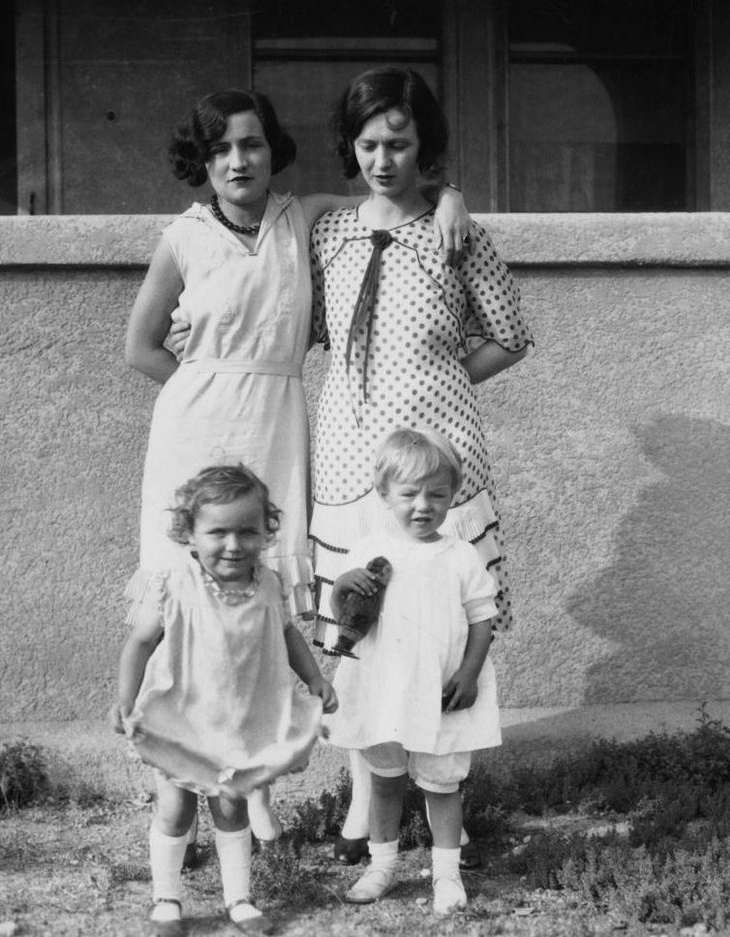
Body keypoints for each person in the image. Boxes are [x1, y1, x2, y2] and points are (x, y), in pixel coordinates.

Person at [125, 88, 470, 857]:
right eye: (220, 151)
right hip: (195, 435)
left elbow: (388, 188)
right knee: (202, 609)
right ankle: (235, 794)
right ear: (203, 161)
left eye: (250, 144)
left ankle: (261, 772)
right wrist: (204, 389)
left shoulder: (303, 215)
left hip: (278, 426)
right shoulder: (181, 237)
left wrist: (453, 197)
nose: (238, 161)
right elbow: (142, 347)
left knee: (268, 604)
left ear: (269, 149)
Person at [307, 66, 533, 867]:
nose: (382, 158)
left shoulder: (455, 230)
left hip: (437, 459)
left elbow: (509, 332)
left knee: (433, 618)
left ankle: (444, 801)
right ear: (351, 147)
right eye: (368, 143)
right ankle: (367, 800)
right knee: (357, 622)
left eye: (399, 143)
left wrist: (436, 379)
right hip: (346, 453)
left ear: (423, 147)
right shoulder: (327, 231)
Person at [112, 464, 338, 936]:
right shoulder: (175, 583)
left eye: (247, 532)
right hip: (180, 718)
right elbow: (138, 644)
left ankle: (239, 898)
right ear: (189, 533)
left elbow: (288, 635)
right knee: (176, 809)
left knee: (231, 807)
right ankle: (166, 900)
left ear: (265, 531)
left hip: (236, 721)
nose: (233, 545)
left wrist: (314, 678)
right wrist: (125, 700)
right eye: (218, 532)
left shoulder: (270, 584)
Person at [327, 427, 501, 915]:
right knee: (384, 779)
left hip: (440, 687)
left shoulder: (461, 555)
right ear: (385, 494)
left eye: (437, 495)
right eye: (408, 494)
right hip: (384, 686)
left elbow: (483, 619)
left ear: (453, 497)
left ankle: (446, 875)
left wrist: (469, 673)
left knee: (442, 782)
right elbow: (344, 610)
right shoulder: (368, 550)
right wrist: (342, 583)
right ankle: (382, 865)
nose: (422, 505)